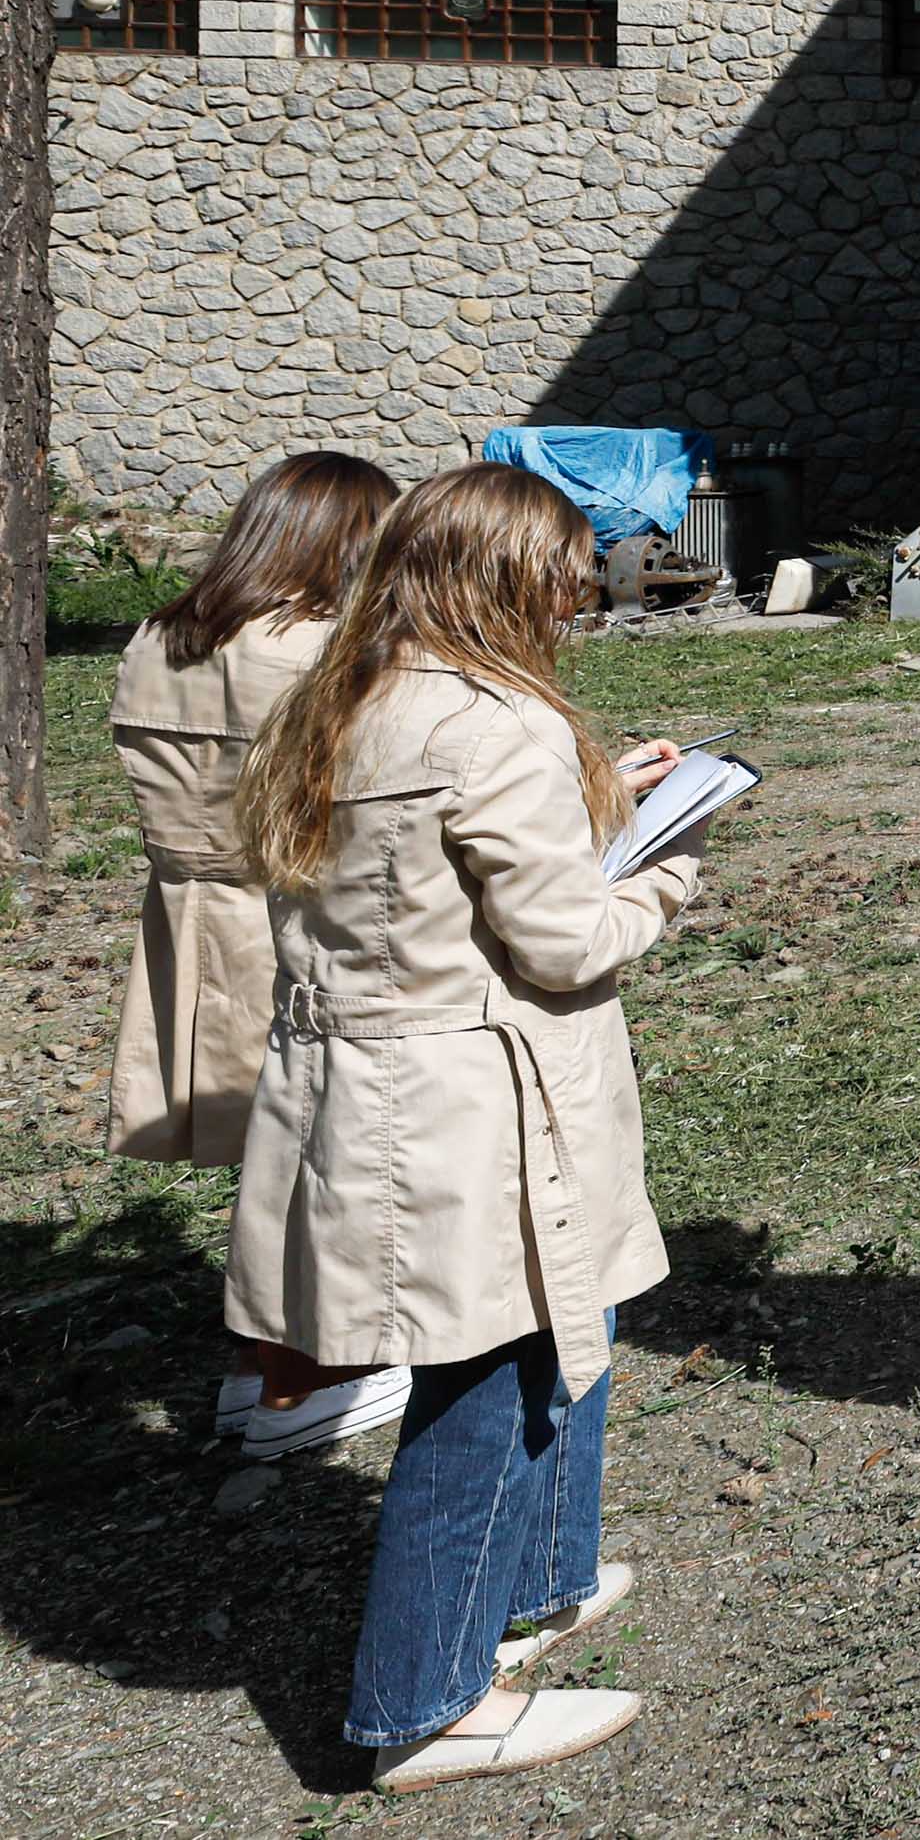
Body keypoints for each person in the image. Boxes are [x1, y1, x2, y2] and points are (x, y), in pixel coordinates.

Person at [226, 464, 707, 1787]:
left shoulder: (339, 698)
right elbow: (560, 937)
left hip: (377, 1087)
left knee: (556, 1324)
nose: (577, 593)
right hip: (474, 1101)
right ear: (500, 578)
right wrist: (662, 876)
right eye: (560, 569)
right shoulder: (497, 720)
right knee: (485, 1378)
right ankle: (425, 1702)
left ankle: (536, 1579)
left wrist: (600, 788)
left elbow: (428, 874)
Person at [105, 450, 407, 1463]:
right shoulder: (318, 650)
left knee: (278, 1152)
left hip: (189, 911)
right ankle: (299, 1376)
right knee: (317, 1149)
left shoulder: (161, 636)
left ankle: (265, 1369)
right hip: (292, 911)